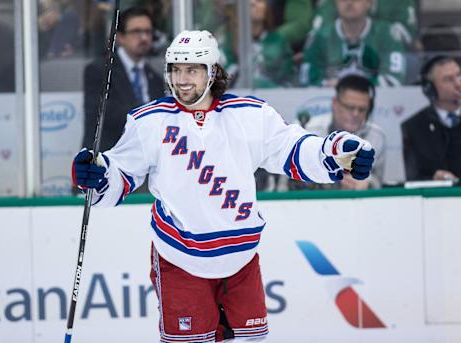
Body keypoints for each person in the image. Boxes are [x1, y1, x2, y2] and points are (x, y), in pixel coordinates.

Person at [72, 30, 375, 342]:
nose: (182, 79)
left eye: (192, 70)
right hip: (180, 259)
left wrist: (336, 154)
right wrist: (97, 174)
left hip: (241, 261)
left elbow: (293, 149)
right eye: (176, 69)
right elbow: (120, 172)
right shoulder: (150, 122)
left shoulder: (250, 115)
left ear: (212, 71)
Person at [82, 7, 165, 153]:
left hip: (145, 161)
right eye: (137, 32)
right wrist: (149, 118)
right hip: (108, 160)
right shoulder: (99, 71)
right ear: (120, 37)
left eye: (148, 32)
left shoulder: (156, 79)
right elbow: (105, 113)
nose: (144, 38)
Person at [302, 74, 386, 189]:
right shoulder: (309, 129)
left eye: (362, 109)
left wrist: (367, 183)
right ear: (335, 103)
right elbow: (286, 183)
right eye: (350, 107)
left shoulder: (376, 136)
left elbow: (378, 182)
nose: (355, 114)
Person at [301, 0, 407, 87]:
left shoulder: (387, 34)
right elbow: (307, 81)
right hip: (327, 105)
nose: (349, 2)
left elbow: (393, 80)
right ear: (335, 2)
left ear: (369, 2)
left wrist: (349, 87)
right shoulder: (319, 37)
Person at [402, 56, 461, 182]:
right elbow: (413, 178)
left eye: (459, 75)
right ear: (430, 89)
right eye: (448, 79)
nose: (458, 84)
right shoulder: (414, 126)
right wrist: (432, 179)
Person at [221, 0, 296, 88]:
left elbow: (289, 78)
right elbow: (224, 77)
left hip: (275, 97)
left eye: (259, 0)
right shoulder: (227, 39)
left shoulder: (278, 40)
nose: (254, 3)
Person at [312, 0, 417, 47]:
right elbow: (317, 35)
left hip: (382, 55)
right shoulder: (330, 2)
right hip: (336, 58)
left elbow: (407, 37)